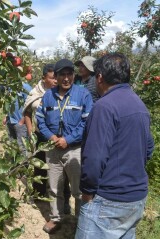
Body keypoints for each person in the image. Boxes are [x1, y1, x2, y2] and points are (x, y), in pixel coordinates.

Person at [75, 53, 154, 239]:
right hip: (136, 198)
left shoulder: (104, 107)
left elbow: (94, 157)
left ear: (100, 77)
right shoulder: (139, 104)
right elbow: (148, 149)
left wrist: (87, 192)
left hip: (108, 200)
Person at [36, 59, 93, 234]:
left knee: (77, 190)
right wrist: (51, 136)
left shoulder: (83, 95)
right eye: (62, 75)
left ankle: (80, 222)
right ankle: (56, 218)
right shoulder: (48, 96)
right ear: (56, 76)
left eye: (69, 74)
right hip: (53, 149)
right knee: (54, 187)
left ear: (73, 75)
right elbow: (40, 120)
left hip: (74, 149)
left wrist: (68, 139)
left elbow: (86, 122)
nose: (66, 78)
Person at [22, 64, 71, 212]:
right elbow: (27, 112)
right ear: (44, 78)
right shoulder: (35, 93)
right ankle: (38, 195)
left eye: (56, 77)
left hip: (58, 137)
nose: (56, 80)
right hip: (41, 136)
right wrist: (30, 131)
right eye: (52, 78)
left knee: (64, 170)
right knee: (39, 166)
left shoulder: (62, 93)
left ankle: (65, 202)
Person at [2, 82, 32, 157]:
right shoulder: (9, 86)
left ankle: (24, 167)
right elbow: (9, 102)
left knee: (22, 147)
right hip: (10, 121)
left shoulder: (25, 87)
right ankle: (15, 166)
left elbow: (30, 105)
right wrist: (7, 116)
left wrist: (23, 120)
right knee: (13, 146)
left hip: (21, 123)